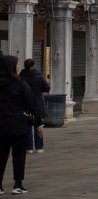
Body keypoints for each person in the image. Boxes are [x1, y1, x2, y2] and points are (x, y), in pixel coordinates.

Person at [0, 55, 44, 196]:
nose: (19, 66)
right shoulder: (20, 84)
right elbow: (32, 104)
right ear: (12, 66)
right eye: (17, 64)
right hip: (19, 125)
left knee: (1, 156)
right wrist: (38, 123)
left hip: (1, 126)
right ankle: (17, 184)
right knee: (18, 156)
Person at [18, 60, 46, 154]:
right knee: (38, 125)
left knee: (28, 126)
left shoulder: (21, 77)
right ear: (34, 66)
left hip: (25, 106)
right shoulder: (39, 76)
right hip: (37, 104)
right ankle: (39, 147)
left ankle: (28, 147)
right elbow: (47, 88)